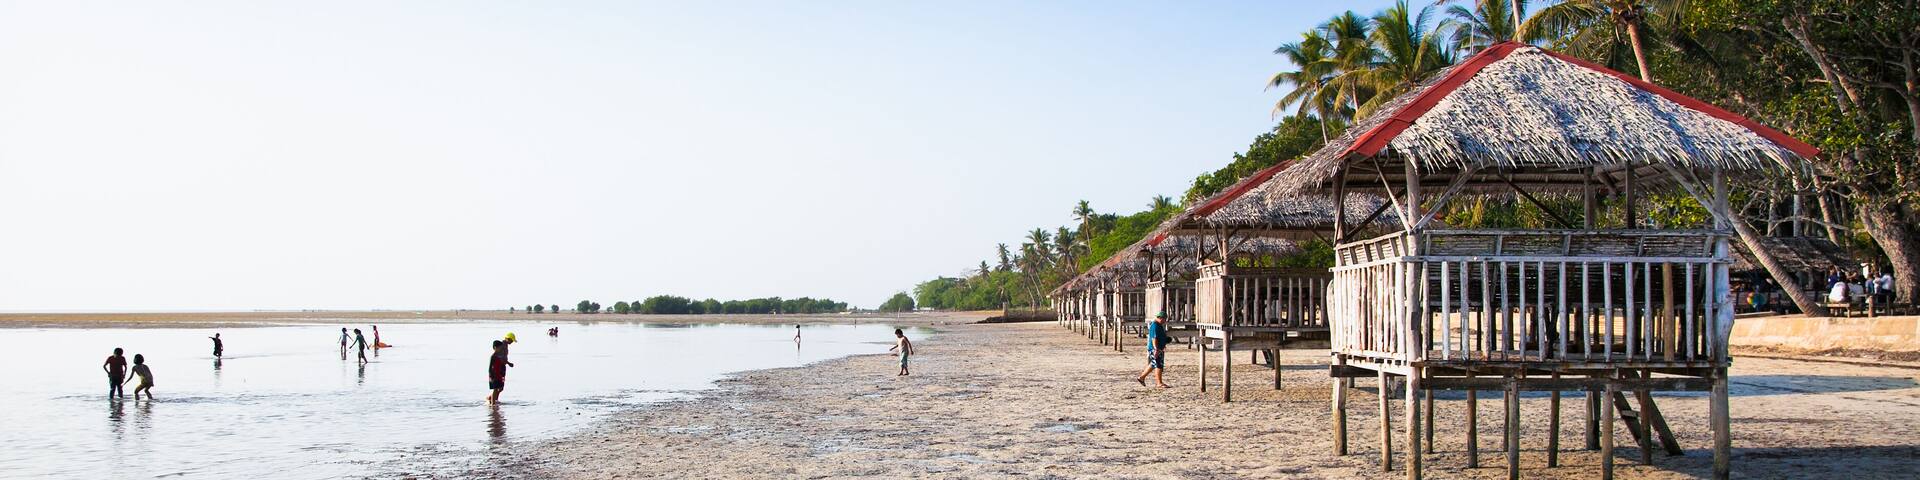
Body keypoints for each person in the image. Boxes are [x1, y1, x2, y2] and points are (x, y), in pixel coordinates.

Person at [1136, 312, 1172, 388]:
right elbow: (1154, 338)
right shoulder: (1155, 325)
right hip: (1155, 349)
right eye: (1164, 319)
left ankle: (1141, 377)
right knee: (1158, 365)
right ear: (1160, 318)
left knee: (1153, 364)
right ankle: (1159, 383)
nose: (1165, 321)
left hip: (1159, 348)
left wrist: (1164, 342)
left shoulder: (1159, 325)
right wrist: (1156, 349)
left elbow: (1159, 337)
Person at [487, 340, 514, 405]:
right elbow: (490, 367)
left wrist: (508, 363)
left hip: (498, 374)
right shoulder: (493, 356)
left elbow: (502, 361)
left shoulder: (498, 356)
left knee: (499, 389)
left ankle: (492, 400)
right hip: (494, 375)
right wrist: (491, 375)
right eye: (500, 348)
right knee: (495, 389)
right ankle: (493, 404)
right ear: (495, 348)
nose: (501, 349)